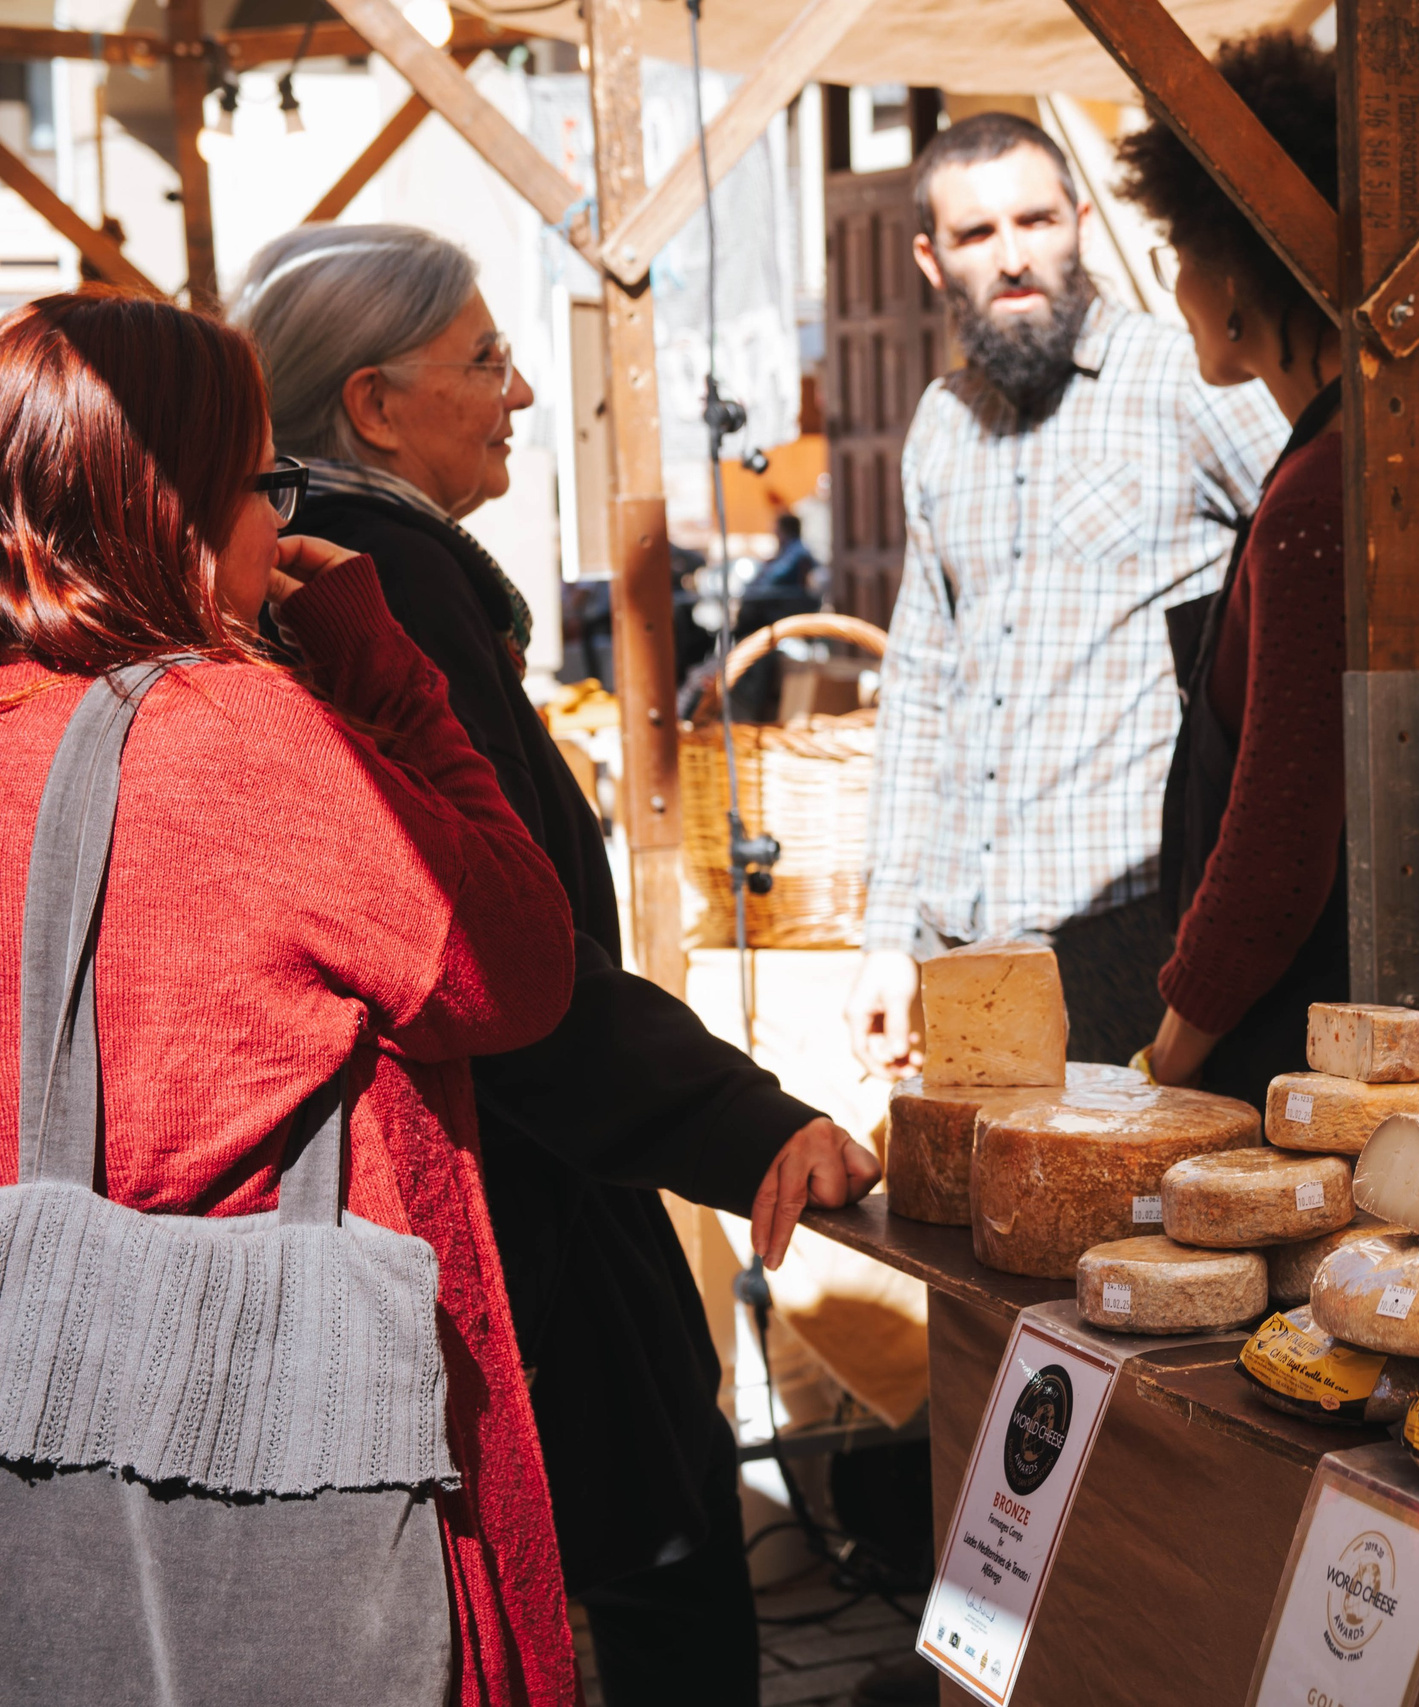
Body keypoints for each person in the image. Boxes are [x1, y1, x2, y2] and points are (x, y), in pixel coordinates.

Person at [236, 226, 880, 1707]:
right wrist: (750, 1120)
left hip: (499, 1158)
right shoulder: (378, 572)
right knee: (650, 1554)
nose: (522, 391)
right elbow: (496, 952)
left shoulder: (360, 563)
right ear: (377, 404)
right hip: (511, 1171)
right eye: (485, 360)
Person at [0, 291, 579, 1703]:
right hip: (286, 1420)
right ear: (174, 500)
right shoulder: (234, 737)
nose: (279, 515)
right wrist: (378, 654)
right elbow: (514, 959)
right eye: (262, 478)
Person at [847, 112, 1288, 1075]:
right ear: (933, 260)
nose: (1013, 256)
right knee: (976, 1217)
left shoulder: (1188, 382)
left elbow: (1325, 574)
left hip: (1132, 929)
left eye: (1036, 221)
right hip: (960, 945)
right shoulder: (941, 424)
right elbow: (919, 682)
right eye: (976, 234)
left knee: (1128, 1221)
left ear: (1080, 221)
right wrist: (887, 934)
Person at [1117, 33, 1419, 1097]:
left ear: (1237, 267)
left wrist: (1162, 1069)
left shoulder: (1325, 499)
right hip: (1381, 1029)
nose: (1180, 285)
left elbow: (1275, 861)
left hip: (1295, 1065)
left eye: (1180, 251)